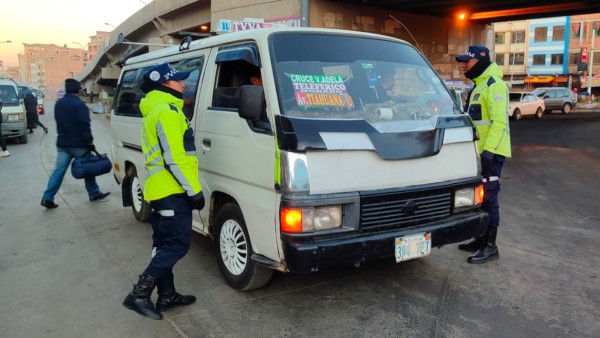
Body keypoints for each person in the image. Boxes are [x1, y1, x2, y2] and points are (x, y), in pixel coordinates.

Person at [122, 63, 204, 320]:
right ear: (164, 85)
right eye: (178, 81)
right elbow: (175, 157)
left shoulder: (155, 110)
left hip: (159, 190)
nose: (183, 85)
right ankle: (139, 294)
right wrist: (194, 191)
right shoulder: (167, 112)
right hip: (172, 190)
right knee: (177, 246)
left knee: (163, 244)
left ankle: (167, 295)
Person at [455, 45, 512, 264]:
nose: (463, 66)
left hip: (491, 153)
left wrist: (489, 152)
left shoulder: (493, 85)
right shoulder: (477, 87)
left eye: (466, 62)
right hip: (478, 154)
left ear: (479, 61)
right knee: (478, 197)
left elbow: (499, 122)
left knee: (489, 197)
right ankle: (480, 239)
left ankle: (491, 246)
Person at [40, 79, 110, 209]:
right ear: (78, 91)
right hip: (79, 145)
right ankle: (94, 193)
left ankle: (47, 197)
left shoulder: (59, 104)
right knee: (88, 168)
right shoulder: (79, 105)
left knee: (58, 172)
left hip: (62, 144)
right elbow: (84, 125)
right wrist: (89, 142)